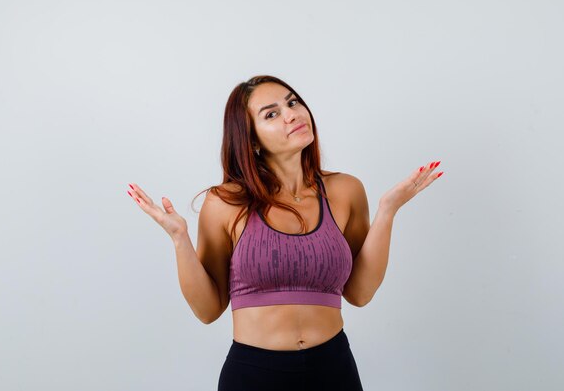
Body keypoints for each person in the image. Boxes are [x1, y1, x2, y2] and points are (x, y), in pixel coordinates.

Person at [126, 75, 444, 390]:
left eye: (292, 102)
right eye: (271, 113)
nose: (291, 113)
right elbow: (208, 310)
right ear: (251, 139)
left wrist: (388, 210)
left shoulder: (346, 190)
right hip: (253, 374)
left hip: (333, 369)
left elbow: (359, 293)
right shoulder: (225, 202)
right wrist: (180, 238)